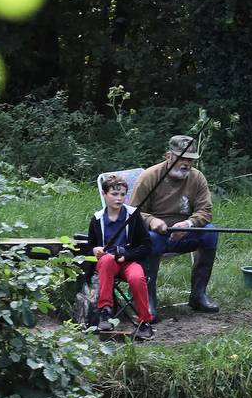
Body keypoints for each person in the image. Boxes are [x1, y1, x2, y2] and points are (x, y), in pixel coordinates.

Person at [130, 135, 219, 320]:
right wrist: (152, 221)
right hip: (156, 236)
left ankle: (198, 295)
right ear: (168, 156)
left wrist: (188, 224)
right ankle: (148, 301)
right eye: (182, 158)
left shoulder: (197, 178)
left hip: (185, 234)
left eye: (190, 159)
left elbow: (205, 211)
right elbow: (133, 213)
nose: (186, 163)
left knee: (210, 232)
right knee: (152, 239)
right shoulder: (149, 177)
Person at [86, 174, 154, 339]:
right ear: (104, 194)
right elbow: (89, 247)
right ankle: (105, 312)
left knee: (137, 278)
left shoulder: (132, 215)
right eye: (114, 194)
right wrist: (95, 250)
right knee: (107, 259)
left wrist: (128, 255)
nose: (119, 198)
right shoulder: (97, 219)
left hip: (128, 261)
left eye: (122, 194)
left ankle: (145, 321)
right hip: (107, 264)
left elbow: (146, 245)